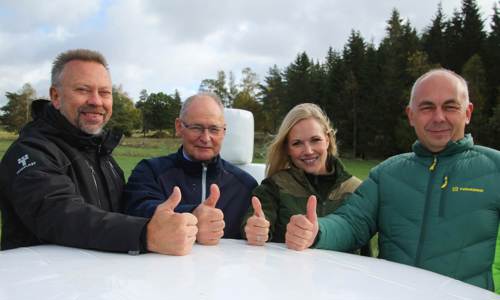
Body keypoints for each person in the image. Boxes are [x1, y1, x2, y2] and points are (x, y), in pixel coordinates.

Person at [287, 69, 500, 293]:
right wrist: (317, 231)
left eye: (450, 107)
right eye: (427, 107)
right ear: (411, 115)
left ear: (467, 112)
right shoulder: (387, 173)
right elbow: (351, 223)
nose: (439, 117)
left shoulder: (495, 169)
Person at [0, 49, 198, 256]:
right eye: (83, 90)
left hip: (96, 282)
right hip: (41, 284)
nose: (96, 101)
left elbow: (123, 210)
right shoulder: (30, 152)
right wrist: (145, 234)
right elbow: (59, 215)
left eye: (104, 92)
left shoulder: (101, 154)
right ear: (56, 96)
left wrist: (188, 218)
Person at [124, 92, 257, 245]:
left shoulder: (246, 186)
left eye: (214, 129)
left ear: (224, 132)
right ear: (179, 127)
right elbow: (134, 210)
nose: (206, 138)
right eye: (197, 127)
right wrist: (191, 215)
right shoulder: (150, 171)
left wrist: (259, 231)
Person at [242, 103, 362, 247]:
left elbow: (364, 246)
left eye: (315, 140)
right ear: (287, 149)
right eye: (297, 143)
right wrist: (256, 228)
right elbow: (258, 218)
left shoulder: (356, 189)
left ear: (327, 140)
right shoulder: (274, 186)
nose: (308, 150)